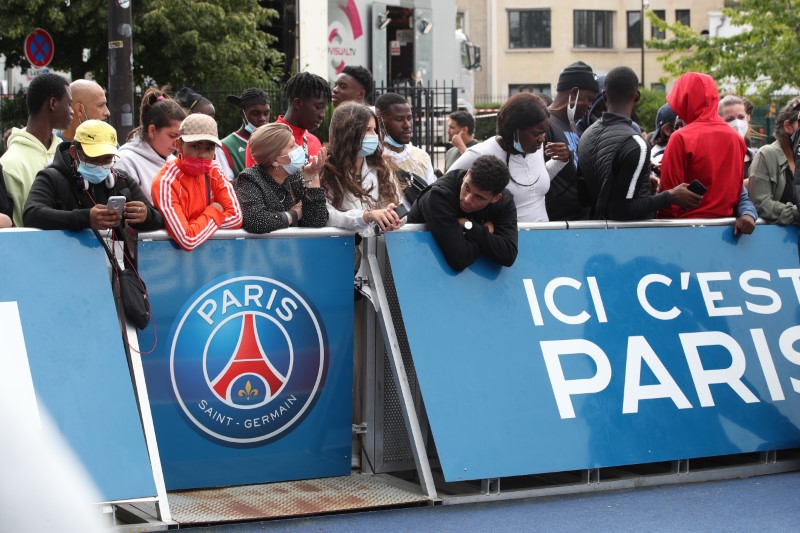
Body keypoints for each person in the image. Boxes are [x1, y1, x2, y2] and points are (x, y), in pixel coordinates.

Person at [578, 66, 701, 221]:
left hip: (598, 232)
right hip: (629, 238)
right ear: (636, 97)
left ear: (604, 96)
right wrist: (671, 196)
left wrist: (637, 182)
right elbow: (621, 210)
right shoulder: (637, 144)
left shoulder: (586, 135)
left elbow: (585, 197)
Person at [657, 72, 757, 236]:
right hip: (727, 231)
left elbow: (670, 198)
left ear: (683, 101)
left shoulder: (680, 137)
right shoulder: (736, 139)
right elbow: (737, 191)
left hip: (683, 231)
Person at [22, 120, 162, 232]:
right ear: (73, 152)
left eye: (107, 159)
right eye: (93, 158)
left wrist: (144, 216)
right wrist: (85, 218)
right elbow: (31, 214)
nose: (100, 165)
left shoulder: (121, 180)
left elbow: (158, 218)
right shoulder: (51, 177)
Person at [449, 93, 569, 222]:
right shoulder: (481, 154)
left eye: (544, 132)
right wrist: (466, 225)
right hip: (507, 240)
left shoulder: (535, 148)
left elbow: (534, 182)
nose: (542, 138)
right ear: (514, 130)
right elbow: (441, 189)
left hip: (542, 237)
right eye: (536, 133)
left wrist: (559, 160)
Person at [408, 155, 518, 271]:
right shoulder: (439, 196)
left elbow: (508, 254)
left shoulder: (504, 201)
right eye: (467, 188)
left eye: (478, 197)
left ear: (495, 198)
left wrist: (470, 227)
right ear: (466, 175)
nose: (467, 199)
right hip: (415, 260)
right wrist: (486, 231)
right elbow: (460, 258)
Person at [151, 114, 242, 251]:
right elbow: (187, 240)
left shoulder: (214, 169)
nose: (203, 155)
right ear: (179, 145)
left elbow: (236, 218)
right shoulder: (165, 182)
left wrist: (194, 225)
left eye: (209, 148)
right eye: (195, 146)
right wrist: (214, 210)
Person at [0, 73, 73, 227]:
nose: (72, 111)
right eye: (69, 104)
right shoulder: (10, 164)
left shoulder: (68, 153)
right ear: (53, 103)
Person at [321, 102, 401, 233]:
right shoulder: (325, 169)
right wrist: (367, 216)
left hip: (376, 249)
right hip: (342, 248)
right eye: (368, 129)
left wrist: (392, 215)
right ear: (348, 132)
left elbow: (394, 203)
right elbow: (327, 216)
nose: (374, 136)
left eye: (375, 130)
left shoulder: (381, 167)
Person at [235, 122, 328, 233]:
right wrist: (294, 214)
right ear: (275, 160)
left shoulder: (294, 177)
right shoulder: (249, 179)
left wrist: (312, 175)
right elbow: (256, 221)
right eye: (292, 146)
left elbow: (317, 220)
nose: (300, 148)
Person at [545, 61, 600, 221]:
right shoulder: (545, 125)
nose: (590, 106)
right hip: (557, 224)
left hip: (578, 221)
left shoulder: (572, 125)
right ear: (574, 93)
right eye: (589, 99)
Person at [245, 72, 332, 168]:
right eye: (318, 107)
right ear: (298, 103)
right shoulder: (264, 139)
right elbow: (254, 181)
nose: (322, 114)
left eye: (325, 108)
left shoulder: (314, 142)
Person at [114, 87, 187, 202]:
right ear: (152, 131)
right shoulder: (125, 160)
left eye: (180, 137)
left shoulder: (174, 160)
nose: (177, 143)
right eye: (172, 135)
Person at [375, 92, 436, 208]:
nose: (407, 125)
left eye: (409, 118)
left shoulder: (422, 157)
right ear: (380, 122)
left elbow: (431, 199)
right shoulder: (373, 159)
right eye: (399, 119)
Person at [748, 97, 800, 225]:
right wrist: (795, 213)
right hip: (775, 240)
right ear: (788, 126)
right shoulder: (767, 154)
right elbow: (760, 203)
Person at [220, 88, 271, 179]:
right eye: (256, 113)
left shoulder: (275, 142)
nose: (263, 118)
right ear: (242, 113)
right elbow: (224, 187)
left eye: (266, 113)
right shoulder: (225, 147)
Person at [719, 94, 755, 180]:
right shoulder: (714, 158)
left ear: (747, 117)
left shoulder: (755, 158)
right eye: (730, 119)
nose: (737, 123)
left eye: (741, 117)